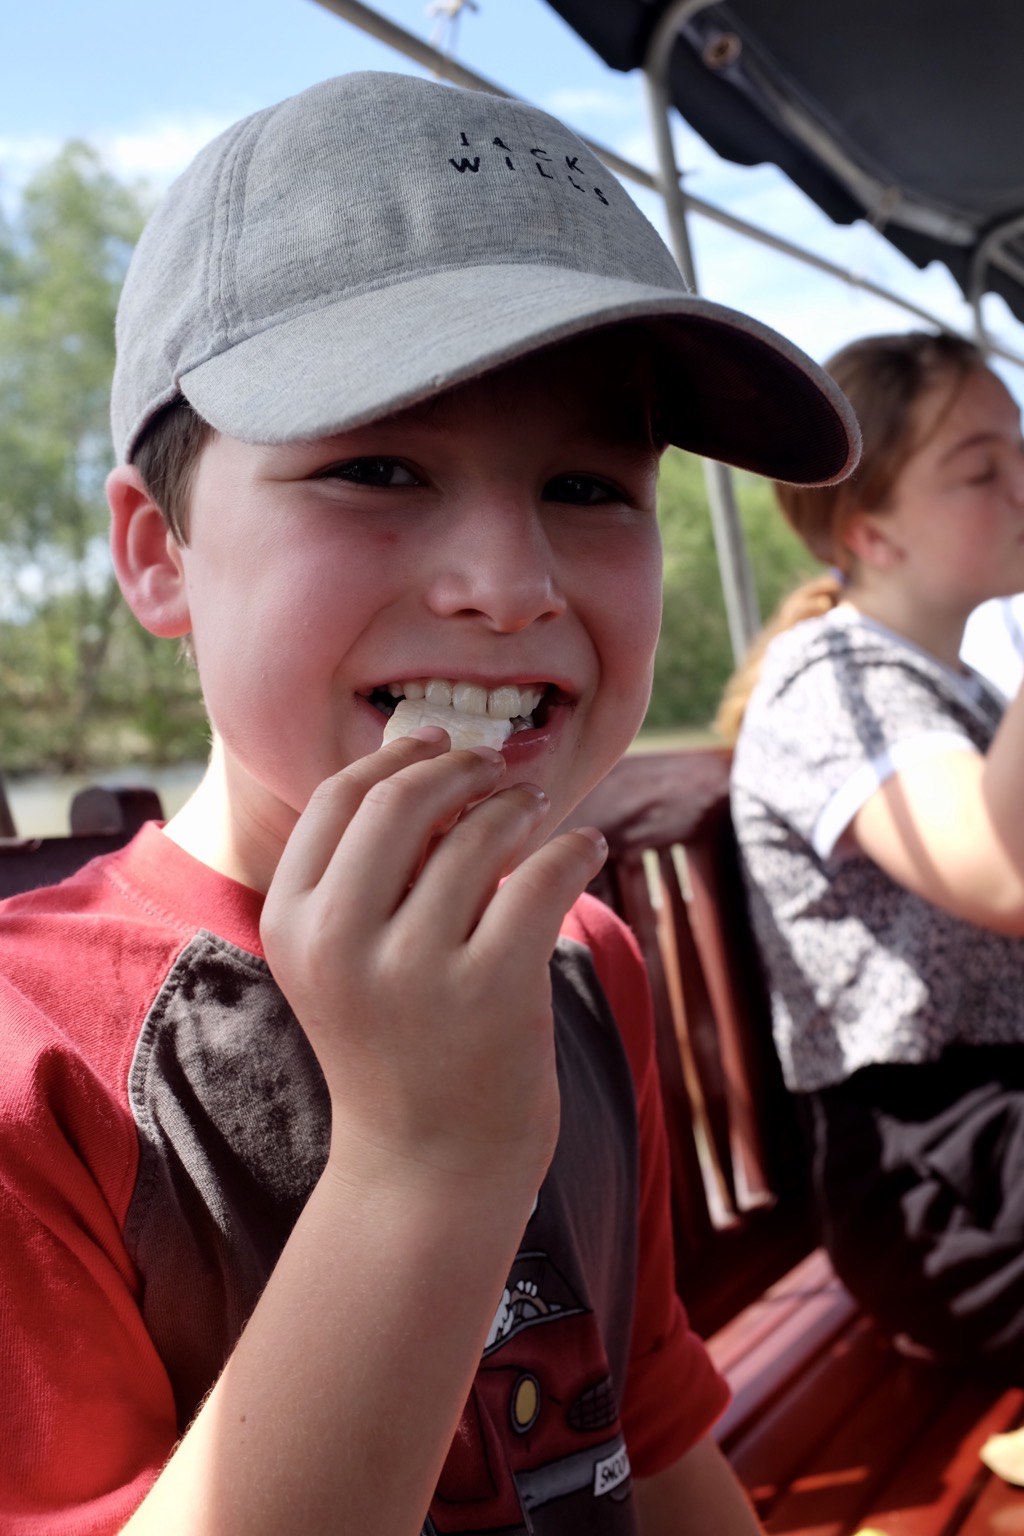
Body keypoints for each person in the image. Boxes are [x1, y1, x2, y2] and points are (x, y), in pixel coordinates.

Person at [0, 72, 857, 1536]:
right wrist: (425, 1160)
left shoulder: (588, 958)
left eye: (591, 489)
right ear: (159, 556)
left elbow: (645, 1429)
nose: (512, 587)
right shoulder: (38, 1072)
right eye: (377, 467)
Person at [718, 329, 1024, 1481]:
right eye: (977, 466)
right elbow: (1005, 874)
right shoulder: (834, 687)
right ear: (868, 531)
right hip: (936, 1192)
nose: (1021, 482)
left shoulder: (952, 692)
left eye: (1019, 448)